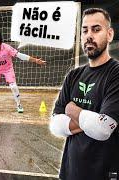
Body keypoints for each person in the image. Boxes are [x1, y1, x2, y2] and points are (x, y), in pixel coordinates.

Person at [49, 8, 119, 180]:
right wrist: (92, 120)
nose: (89, 35)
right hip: (70, 171)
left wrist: (72, 110)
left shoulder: (115, 74)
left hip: (103, 173)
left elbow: (103, 129)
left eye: (96, 29)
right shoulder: (73, 75)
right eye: (85, 30)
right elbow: (56, 126)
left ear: (109, 34)